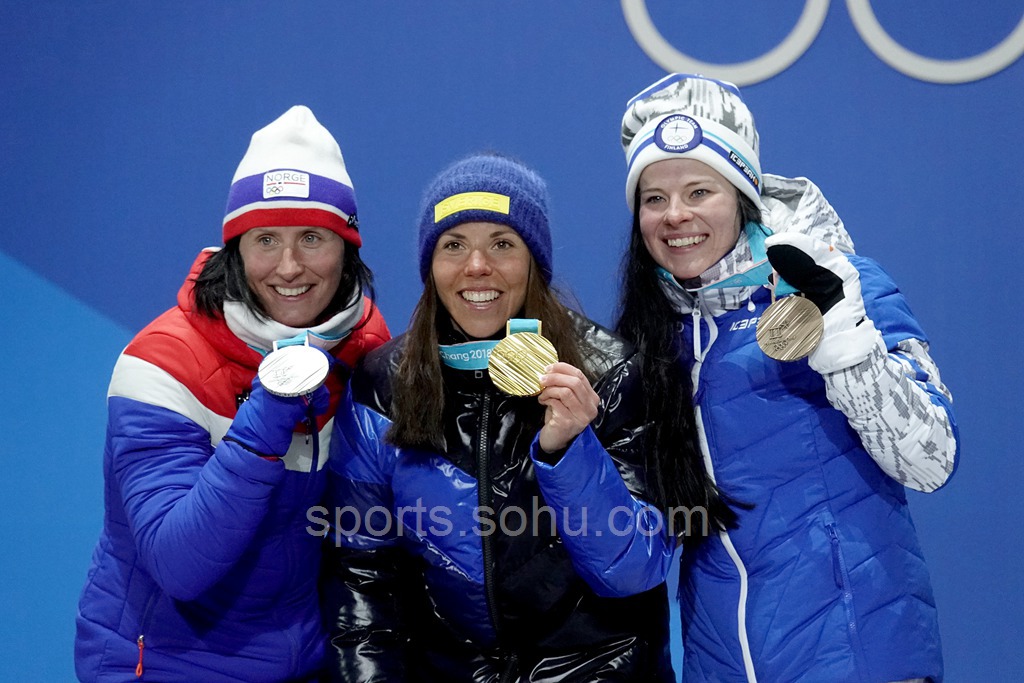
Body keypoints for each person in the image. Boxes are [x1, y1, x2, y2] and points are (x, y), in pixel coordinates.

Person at [319, 153, 729, 682]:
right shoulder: (384, 384)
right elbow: (362, 576)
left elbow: (634, 569)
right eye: (454, 245)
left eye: (502, 244)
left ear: (534, 262)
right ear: (430, 267)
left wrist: (569, 450)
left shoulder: (611, 372)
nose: (476, 267)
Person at [613, 73, 960, 683]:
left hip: (859, 657)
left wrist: (844, 342)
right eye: (654, 198)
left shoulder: (844, 283)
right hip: (721, 664)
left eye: (700, 190)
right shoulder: (649, 337)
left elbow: (931, 459)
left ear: (743, 195)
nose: (676, 216)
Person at [74, 105, 390, 682]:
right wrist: (272, 402)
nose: (289, 266)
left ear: (347, 248)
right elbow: (179, 564)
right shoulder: (160, 365)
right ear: (235, 250)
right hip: (167, 665)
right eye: (265, 238)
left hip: (307, 663)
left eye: (313, 238)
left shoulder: (364, 343)